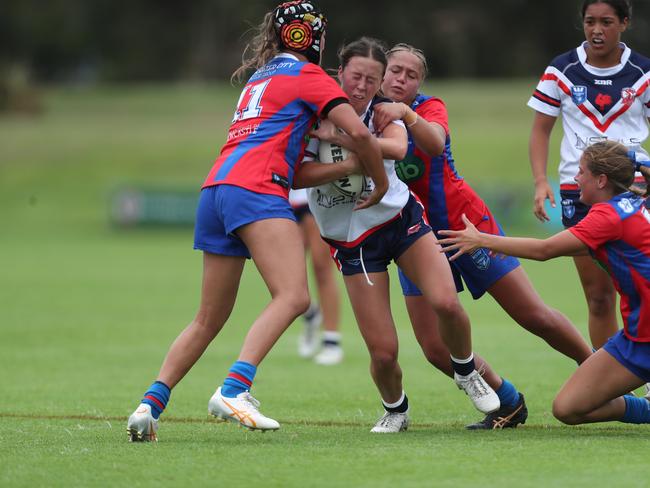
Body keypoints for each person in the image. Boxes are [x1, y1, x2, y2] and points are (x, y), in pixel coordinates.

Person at [126, 1, 388, 441]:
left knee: (208, 317)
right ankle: (234, 389)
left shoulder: (259, 78)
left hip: (216, 190)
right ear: (316, 39)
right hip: (256, 189)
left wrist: (346, 168)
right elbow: (361, 135)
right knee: (293, 296)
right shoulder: (310, 77)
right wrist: (377, 183)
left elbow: (299, 169)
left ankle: (147, 407)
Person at [373, 43, 593, 429]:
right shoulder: (365, 115)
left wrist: (406, 114)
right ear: (382, 72)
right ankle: (507, 402)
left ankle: (600, 373)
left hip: (465, 225)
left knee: (534, 315)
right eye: (395, 70)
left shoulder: (428, 108)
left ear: (420, 83)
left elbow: (434, 142)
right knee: (436, 348)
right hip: (411, 236)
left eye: (411, 74)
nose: (401, 79)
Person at [295, 37, 500, 434]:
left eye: (372, 80)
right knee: (384, 353)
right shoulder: (311, 115)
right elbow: (298, 175)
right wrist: (350, 164)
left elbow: (398, 146)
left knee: (448, 304)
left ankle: (465, 370)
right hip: (351, 240)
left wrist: (342, 142)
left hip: (399, 220)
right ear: (341, 73)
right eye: (356, 76)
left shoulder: (382, 111)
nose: (362, 87)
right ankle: (396, 408)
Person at [438, 140, 650, 427]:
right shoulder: (631, 205)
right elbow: (572, 246)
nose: (575, 178)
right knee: (567, 408)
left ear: (601, 180)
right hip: (637, 334)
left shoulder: (608, 215)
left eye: (581, 171)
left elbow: (545, 250)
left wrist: (481, 239)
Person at [528, 0, 650, 351]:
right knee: (598, 297)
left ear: (624, 23)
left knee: (641, 286)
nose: (597, 29)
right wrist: (540, 182)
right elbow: (540, 131)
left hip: (634, 190)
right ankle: (611, 388)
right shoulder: (561, 70)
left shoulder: (643, 73)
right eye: (590, 21)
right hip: (579, 193)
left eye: (607, 22)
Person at [289, 188, 343, 365]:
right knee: (287, 275)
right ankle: (311, 314)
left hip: (318, 195)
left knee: (322, 268)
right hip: (283, 196)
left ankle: (331, 341)